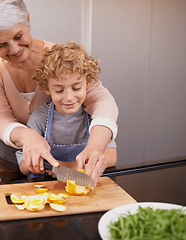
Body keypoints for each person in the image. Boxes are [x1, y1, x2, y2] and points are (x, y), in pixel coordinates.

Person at [0, 0, 118, 180]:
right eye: (2, 45)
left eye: (18, 36)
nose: (14, 49)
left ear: (27, 19)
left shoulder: (59, 58)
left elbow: (102, 101)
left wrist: (95, 147)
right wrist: (28, 136)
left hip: (56, 168)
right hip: (10, 161)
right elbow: (0, 120)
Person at [16, 42, 117, 183]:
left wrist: (71, 167)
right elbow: (23, 164)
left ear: (87, 83)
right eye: (59, 90)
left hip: (86, 182)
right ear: (47, 88)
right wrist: (39, 164)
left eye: (76, 88)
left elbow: (112, 155)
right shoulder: (39, 118)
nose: (69, 97)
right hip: (46, 187)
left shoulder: (91, 115)